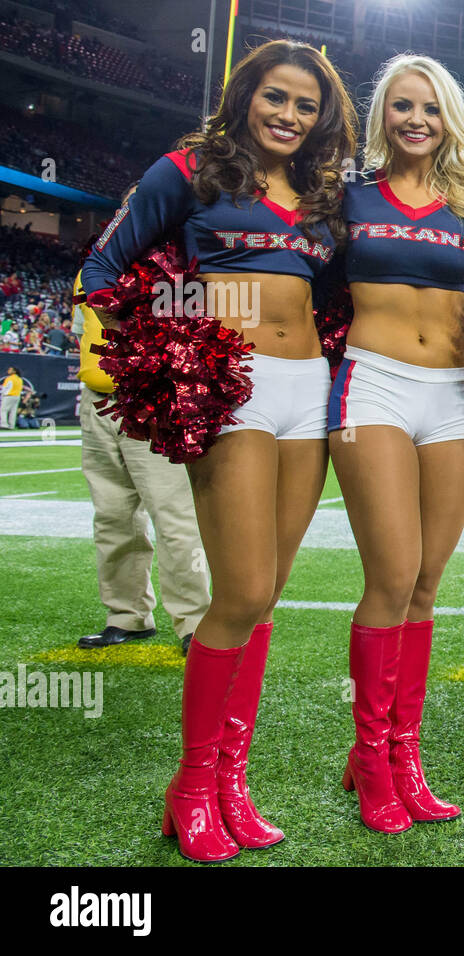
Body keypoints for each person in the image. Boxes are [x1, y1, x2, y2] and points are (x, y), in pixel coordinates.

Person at [81, 39, 357, 862]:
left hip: (308, 391)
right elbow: (104, 269)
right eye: (276, 98)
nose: (289, 116)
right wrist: (184, 341)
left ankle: (233, 783)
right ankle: (191, 784)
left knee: (265, 593)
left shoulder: (322, 192)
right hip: (228, 386)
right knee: (235, 593)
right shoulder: (187, 168)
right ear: (245, 96)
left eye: (306, 107)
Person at [329, 54, 464, 833]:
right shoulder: (349, 198)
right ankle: (373, 757)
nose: (415, 120)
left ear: (448, 120)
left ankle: (404, 752)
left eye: (430, 109)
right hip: (373, 383)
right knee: (392, 575)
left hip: (456, 394)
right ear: (382, 117)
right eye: (401, 106)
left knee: (427, 581)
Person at [73, 257, 210, 656]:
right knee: (113, 516)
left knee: (173, 516)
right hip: (96, 400)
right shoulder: (91, 267)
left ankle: (195, 621)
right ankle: (126, 615)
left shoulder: (172, 267)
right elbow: (84, 329)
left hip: (151, 401)